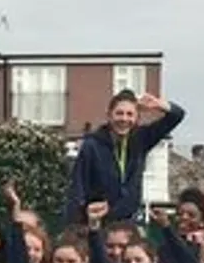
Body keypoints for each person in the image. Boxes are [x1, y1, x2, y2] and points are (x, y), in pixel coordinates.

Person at [62, 89, 184, 228]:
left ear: (137, 118)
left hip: (129, 223)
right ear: (109, 116)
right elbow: (77, 187)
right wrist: (74, 226)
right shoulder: (92, 145)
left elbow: (177, 115)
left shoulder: (141, 139)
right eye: (119, 113)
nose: (124, 119)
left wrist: (158, 105)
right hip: (100, 222)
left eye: (130, 114)